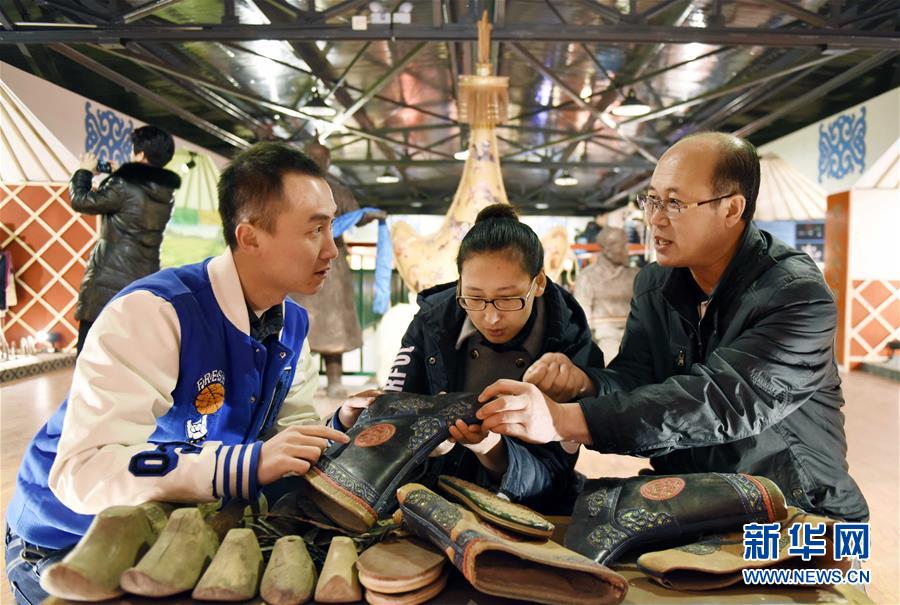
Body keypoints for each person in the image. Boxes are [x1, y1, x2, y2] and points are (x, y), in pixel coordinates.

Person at [5, 142, 350, 605]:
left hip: (178, 538)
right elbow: (82, 472)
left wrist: (342, 423)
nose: (332, 248)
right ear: (249, 237)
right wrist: (241, 466)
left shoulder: (291, 322)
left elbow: (284, 435)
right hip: (69, 545)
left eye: (332, 226)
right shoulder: (155, 312)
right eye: (316, 229)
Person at [476, 132, 869, 522]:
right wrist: (585, 385)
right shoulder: (656, 284)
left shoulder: (796, 295)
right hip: (700, 503)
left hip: (798, 512)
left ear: (732, 209)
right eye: (651, 200)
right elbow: (637, 378)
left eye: (675, 203)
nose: (655, 219)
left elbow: (720, 401)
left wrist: (565, 419)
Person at [335, 204, 605, 513]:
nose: (490, 317)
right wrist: (418, 441)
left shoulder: (569, 343)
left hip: (527, 510)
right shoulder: (432, 323)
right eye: (474, 297)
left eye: (508, 299)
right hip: (430, 494)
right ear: (459, 283)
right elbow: (394, 410)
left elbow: (553, 473)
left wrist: (490, 448)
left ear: (539, 283)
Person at [70, 126, 182, 355]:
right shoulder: (165, 193)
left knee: (89, 355)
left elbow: (81, 200)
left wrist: (84, 172)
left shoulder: (123, 185)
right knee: (125, 357)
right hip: (142, 282)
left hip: (106, 284)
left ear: (140, 154)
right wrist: (121, 175)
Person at [290, 142, 386, 398]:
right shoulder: (290, 187)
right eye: (312, 157)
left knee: (334, 326)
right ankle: (296, 381)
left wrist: (371, 215)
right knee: (298, 325)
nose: (317, 162)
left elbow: (354, 215)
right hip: (300, 259)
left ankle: (334, 378)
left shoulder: (338, 190)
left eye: (321, 158)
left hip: (332, 261)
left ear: (328, 162)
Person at [574, 227, 639, 362]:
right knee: (614, 361)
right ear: (607, 250)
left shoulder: (635, 274)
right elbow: (582, 313)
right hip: (604, 335)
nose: (627, 250)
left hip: (634, 332)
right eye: (622, 246)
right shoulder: (588, 276)